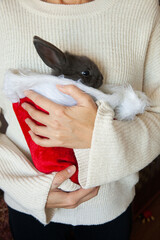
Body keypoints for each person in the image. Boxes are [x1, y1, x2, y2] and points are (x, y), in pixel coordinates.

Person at [0, 0, 160, 239]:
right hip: (28, 209)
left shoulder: (141, 6)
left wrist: (100, 137)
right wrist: (19, 184)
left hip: (110, 209)